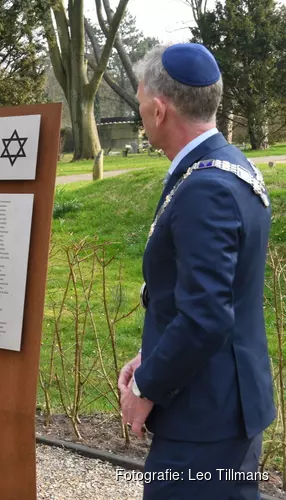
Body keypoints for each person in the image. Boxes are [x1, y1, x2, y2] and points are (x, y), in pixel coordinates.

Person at [118, 43, 275, 499]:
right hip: (224, 402)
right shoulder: (228, 165)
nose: (141, 108)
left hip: (204, 418)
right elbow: (210, 297)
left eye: (141, 97)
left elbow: (206, 317)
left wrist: (146, 386)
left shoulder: (205, 187)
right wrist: (153, 354)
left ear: (160, 109)